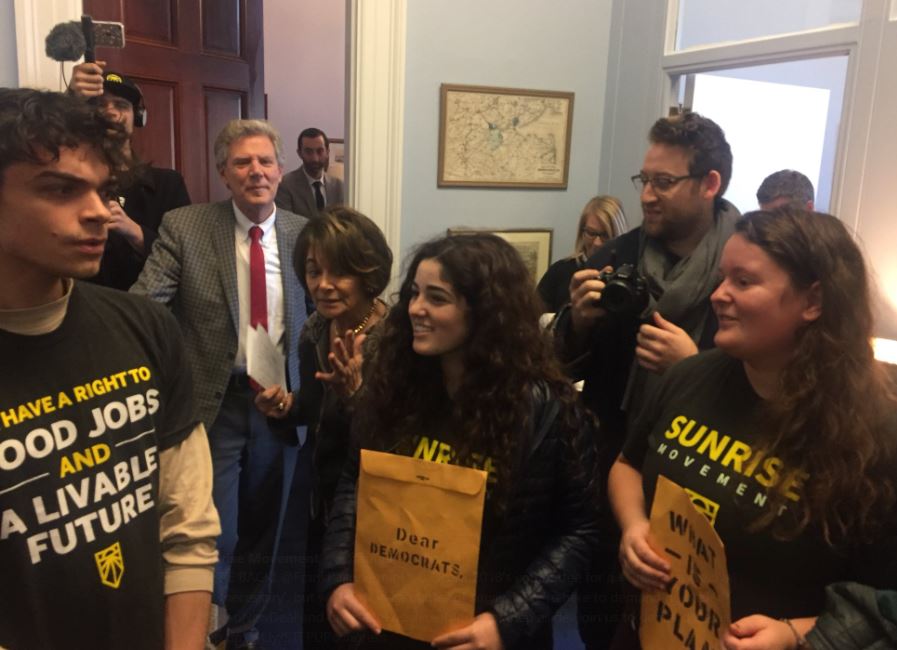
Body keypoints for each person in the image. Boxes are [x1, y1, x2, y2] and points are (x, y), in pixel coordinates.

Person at [608, 209, 897, 649]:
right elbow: (626, 466)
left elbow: (884, 602)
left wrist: (793, 633)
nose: (718, 295)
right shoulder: (689, 376)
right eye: (722, 278)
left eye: (743, 282)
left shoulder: (877, 430)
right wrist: (633, 526)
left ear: (813, 301)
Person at [0, 88, 219, 649]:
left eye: (103, 189)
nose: (99, 211)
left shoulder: (144, 327)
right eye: (61, 189)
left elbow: (188, 527)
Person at [319, 233, 600, 650]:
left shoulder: (545, 409)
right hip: (389, 621)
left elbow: (579, 529)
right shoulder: (395, 388)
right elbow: (354, 484)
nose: (416, 309)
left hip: (486, 633)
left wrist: (508, 621)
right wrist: (338, 579)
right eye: (414, 293)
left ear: (486, 311)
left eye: (437, 297)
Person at [554, 111, 739, 649]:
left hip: (709, 481)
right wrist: (578, 324)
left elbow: (772, 375)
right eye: (644, 181)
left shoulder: (745, 262)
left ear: (710, 184)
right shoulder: (618, 256)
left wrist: (694, 364)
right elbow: (566, 367)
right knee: (603, 618)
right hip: (616, 464)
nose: (648, 196)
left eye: (664, 182)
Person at [132, 119, 308, 649]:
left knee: (266, 535)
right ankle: (206, 632)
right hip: (215, 405)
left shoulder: (305, 233)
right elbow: (145, 308)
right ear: (223, 174)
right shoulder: (185, 227)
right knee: (215, 534)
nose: (256, 171)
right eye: (242, 163)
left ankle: (245, 630)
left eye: (265, 162)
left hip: (282, 403)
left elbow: (327, 308)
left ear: (279, 171)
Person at [255, 206, 392, 649]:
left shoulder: (396, 341)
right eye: (314, 271)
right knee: (322, 617)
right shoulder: (316, 329)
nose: (324, 284)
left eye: (340, 272)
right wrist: (285, 407)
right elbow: (314, 412)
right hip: (324, 499)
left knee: (368, 624)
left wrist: (356, 397)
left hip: (378, 510)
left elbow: (397, 446)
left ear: (369, 274)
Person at [68, 61, 191, 290]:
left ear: (138, 117)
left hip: (150, 312)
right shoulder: (72, 183)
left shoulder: (168, 184)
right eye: (99, 105)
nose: (111, 112)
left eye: (121, 105)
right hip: (83, 308)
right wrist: (70, 101)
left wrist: (136, 233)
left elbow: (189, 258)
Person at [537, 195, 628, 313]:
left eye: (605, 235)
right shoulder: (559, 271)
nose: (597, 243)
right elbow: (532, 320)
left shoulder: (628, 277)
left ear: (618, 236)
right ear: (582, 233)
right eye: (591, 233)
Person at [275, 127, 345, 219]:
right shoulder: (285, 185)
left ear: (327, 152)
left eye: (320, 151)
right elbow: (286, 225)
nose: (315, 158)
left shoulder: (338, 185)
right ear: (299, 153)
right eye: (308, 152)